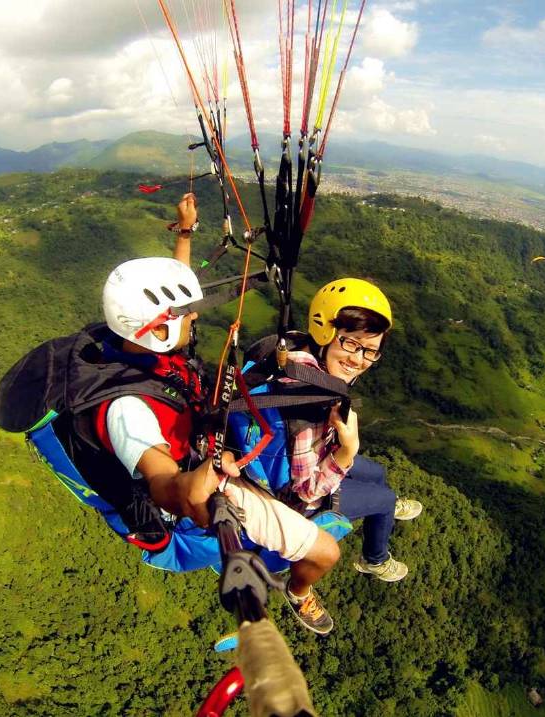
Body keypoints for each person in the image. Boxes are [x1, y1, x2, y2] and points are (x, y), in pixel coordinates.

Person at [96, 194, 340, 634]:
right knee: (325, 553)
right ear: (162, 327)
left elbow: (172, 306)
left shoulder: (146, 350)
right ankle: (297, 592)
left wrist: (185, 233)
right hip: (195, 482)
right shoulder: (127, 410)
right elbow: (165, 485)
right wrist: (200, 481)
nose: (192, 319)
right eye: (184, 315)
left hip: (202, 444)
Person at [268, 278, 423, 581]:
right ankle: (374, 560)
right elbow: (307, 491)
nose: (358, 359)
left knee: (377, 473)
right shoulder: (308, 401)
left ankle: (386, 507)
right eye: (350, 343)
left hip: (315, 452)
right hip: (297, 499)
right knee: (385, 499)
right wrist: (347, 451)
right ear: (325, 332)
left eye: (370, 351)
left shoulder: (299, 353)